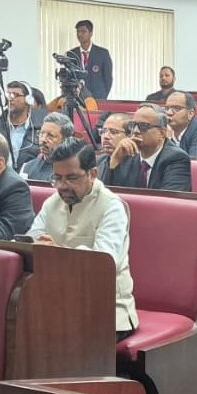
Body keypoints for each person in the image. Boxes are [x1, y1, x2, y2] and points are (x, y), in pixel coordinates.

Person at [28, 139, 138, 336]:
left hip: (107, 310)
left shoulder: (112, 206)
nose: (62, 186)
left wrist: (58, 253)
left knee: (57, 342)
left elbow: (103, 263)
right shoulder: (52, 202)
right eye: (57, 178)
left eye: (72, 178)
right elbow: (30, 241)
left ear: (92, 174)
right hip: (56, 304)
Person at [100, 104, 192, 192]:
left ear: (162, 133)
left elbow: (169, 199)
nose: (135, 131)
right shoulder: (127, 154)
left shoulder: (176, 159)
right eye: (133, 125)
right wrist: (114, 160)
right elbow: (106, 195)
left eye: (143, 126)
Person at [0, 81, 45, 169]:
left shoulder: (40, 127)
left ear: (28, 100)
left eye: (15, 95)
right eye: (8, 95)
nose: (10, 98)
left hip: (27, 174)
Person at [17, 112, 75, 182]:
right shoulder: (27, 168)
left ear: (65, 140)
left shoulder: (75, 171)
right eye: (41, 134)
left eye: (50, 136)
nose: (43, 139)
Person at [67, 20, 113, 100]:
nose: (80, 34)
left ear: (91, 33)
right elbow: (68, 79)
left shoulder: (102, 53)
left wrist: (103, 97)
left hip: (98, 98)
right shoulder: (71, 54)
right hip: (77, 99)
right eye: (78, 32)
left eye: (83, 31)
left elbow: (108, 78)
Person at [164, 90, 197, 156]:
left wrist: (168, 141)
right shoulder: (163, 129)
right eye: (167, 108)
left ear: (190, 114)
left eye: (176, 108)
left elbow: (194, 161)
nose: (169, 113)